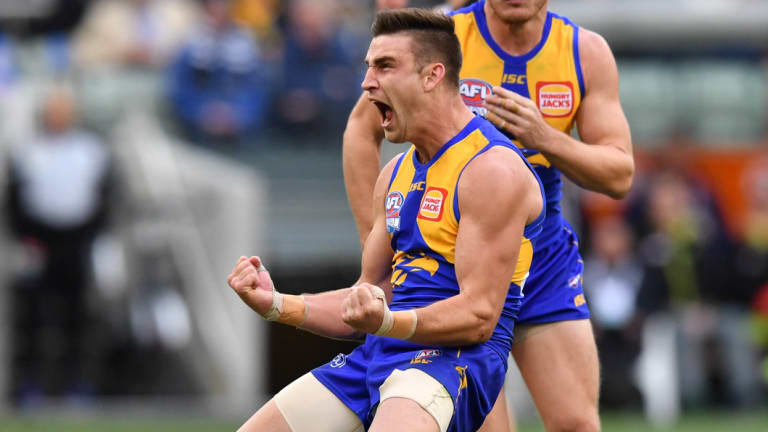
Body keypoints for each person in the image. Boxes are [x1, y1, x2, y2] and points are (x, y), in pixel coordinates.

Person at [227, 8, 545, 432]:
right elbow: (370, 296)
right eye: (368, 66)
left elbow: (479, 317)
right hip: (381, 352)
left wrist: (387, 321)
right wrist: (277, 305)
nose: (366, 82)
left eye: (385, 66)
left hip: (452, 360)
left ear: (432, 76)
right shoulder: (394, 175)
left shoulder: (491, 170)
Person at [343, 1, 634, 430]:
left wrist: (546, 139)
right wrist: (381, 243)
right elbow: (359, 132)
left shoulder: (582, 51)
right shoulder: (441, 38)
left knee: (577, 423)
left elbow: (620, 173)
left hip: (542, 254)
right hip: (450, 256)